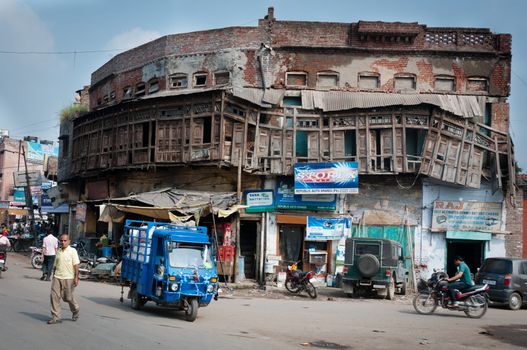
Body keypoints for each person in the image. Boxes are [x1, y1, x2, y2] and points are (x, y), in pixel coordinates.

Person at [48, 233, 80, 324]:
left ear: (69, 241)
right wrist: (53, 275)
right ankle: (56, 317)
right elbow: (55, 265)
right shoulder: (58, 251)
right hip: (57, 277)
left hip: (68, 278)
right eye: (61, 240)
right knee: (54, 296)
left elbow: (76, 265)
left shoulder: (73, 251)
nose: (63, 242)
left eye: (65, 240)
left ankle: (76, 310)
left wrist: (76, 277)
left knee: (68, 298)